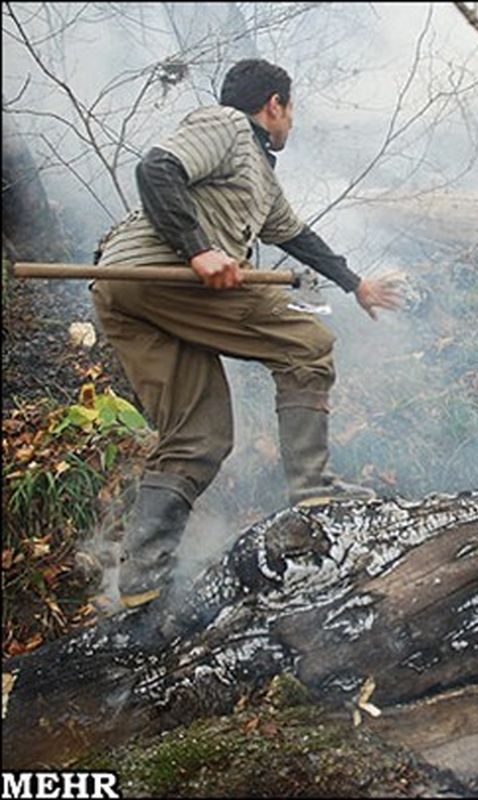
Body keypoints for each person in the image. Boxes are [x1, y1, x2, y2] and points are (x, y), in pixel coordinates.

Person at [91, 58, 403, 611]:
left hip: (123, 292)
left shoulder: (258, 176)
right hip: (161, 273)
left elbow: (296, 235)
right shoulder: (228, 126)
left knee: (199, 438)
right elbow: (157, 169)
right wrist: (199, 249)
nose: (290, 124)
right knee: (307, 344)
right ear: (275, 104)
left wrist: (355, 284)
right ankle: (314, 494)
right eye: (290, 111)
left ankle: (140, 587)